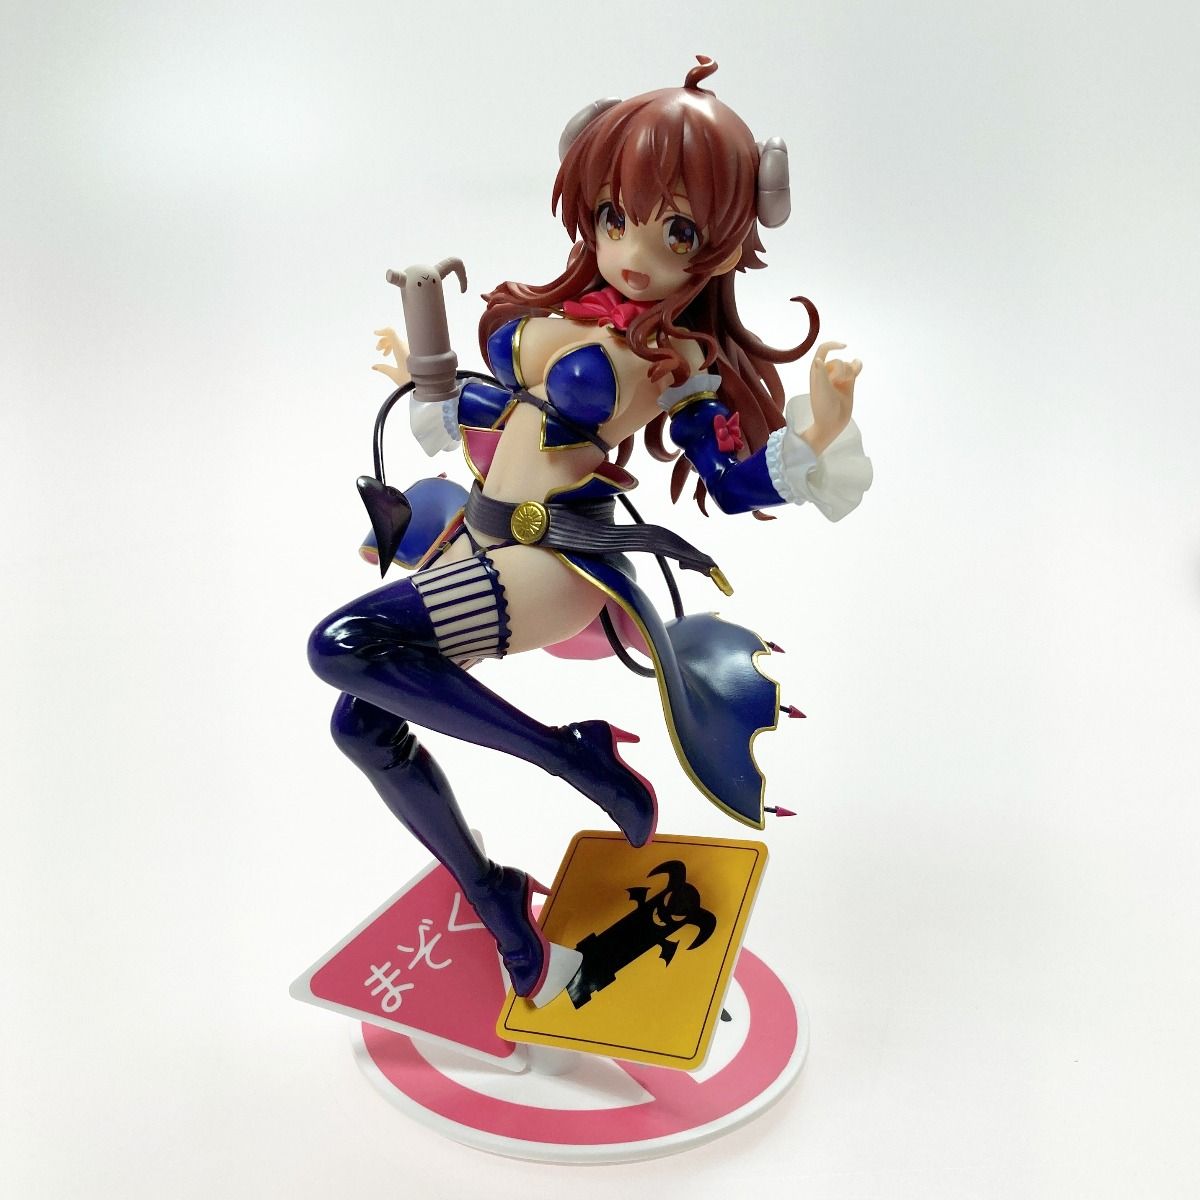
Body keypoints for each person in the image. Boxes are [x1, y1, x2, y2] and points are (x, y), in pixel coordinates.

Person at [308, 56, 872, 1006]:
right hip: (478, 536)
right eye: (617, 217)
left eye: (676, 230)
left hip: (552, 554)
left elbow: (731, 484)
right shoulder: (556, 314)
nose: (635, 251)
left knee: (342, 644)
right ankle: (497, 902)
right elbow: (495, 416)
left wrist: (815, 432)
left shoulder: (681, 361)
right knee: (361, 720)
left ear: (723, 243)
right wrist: (426, 376)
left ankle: (573, 757)